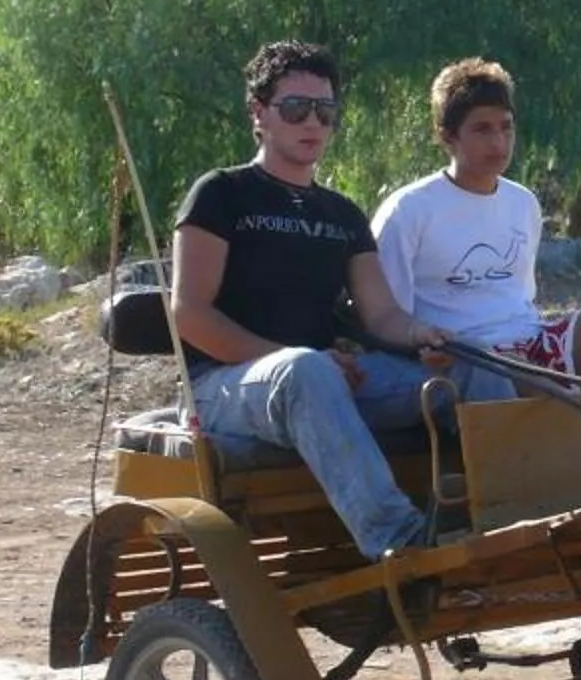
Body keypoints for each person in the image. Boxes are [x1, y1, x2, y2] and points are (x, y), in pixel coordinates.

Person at [170, 41, 455, 563]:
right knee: (305, 370)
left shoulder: (342, 214)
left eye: (325, 111)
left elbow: (382, 314)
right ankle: (402, 544)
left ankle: (497, 517)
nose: (313, 123)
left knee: (468, 372)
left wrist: (422, 335)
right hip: (223, 389)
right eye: (296, 108)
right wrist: (298, 359)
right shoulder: (220, 194)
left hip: (328, 379)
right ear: (259, 113)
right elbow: (189, 314)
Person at [371, 57, 581, 401]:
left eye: (506, 127)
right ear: (447, 136)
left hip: (533, 344)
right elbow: (386, 318)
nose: (499, 143)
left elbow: (519, 297)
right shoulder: (407, 210)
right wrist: (426, 346)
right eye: (482, 130)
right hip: (466, 359)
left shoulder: (523, 202)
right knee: (504, 369)